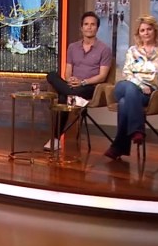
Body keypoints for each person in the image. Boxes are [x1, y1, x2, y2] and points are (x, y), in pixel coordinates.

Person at [104, 15, 158, 161]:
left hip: (148, 93)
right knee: (130, 88)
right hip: (125, 86)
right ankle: (137, 129)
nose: (146, 33)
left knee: (124, 103)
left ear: (155, 31)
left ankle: (118, 147)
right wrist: (140, 85)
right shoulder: (132, 50)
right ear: (139, 34)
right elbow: (127, 73)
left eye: (149, 29)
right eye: (142, 30)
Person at [44, 11, 113, 150]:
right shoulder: (72, 47)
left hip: (90, 87)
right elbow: (68, 70)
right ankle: (72, 95)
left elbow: (102, 76)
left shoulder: (104, 49)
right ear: (81, 28)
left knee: (63, 96)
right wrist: (70, 80)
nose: (89, 27)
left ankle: (55, 139)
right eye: (86, 24)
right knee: (51, 75)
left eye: (92, 24)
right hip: (73, 86)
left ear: (97, 28)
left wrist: (82, 82)